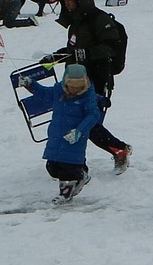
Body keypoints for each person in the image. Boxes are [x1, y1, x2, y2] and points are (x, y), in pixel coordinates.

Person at [54, 0, 133, 170]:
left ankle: (118, 150)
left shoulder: (99, 20)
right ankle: (80, 162)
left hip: (97, 81)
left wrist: (84, 54)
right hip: (75, 82)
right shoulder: (75, 23)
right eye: (64, 0)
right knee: (78, 123)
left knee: (88, 125)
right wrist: (57, 56)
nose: (66, 4)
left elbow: (111, 47)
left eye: (69, 0)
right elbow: (74, 48)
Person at [24, 63, 105, 201]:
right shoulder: (58, 90)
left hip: (74, 137)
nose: (75, 89)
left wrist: (79, 131)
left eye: (79, 86)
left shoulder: (88, 96)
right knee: (52, 167)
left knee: (68, 168)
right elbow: (44, 93)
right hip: (57, 135)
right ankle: (82, 175)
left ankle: (65, 195)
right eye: (72, 85)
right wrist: (31, 84)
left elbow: (93, 115)